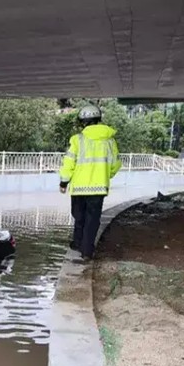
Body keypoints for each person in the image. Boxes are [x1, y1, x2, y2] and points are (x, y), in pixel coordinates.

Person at [59, 105, 122, 261]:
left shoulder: (77, 140)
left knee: (79, 217)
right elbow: (115, 164)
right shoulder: (110, 141)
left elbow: (69, 163)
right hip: (99, 188)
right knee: (92, 219)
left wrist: (64, 181)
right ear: (98, 119)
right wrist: (106, 175)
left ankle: (77, 243)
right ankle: (87, 251)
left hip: (79, 188)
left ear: (83, 122)